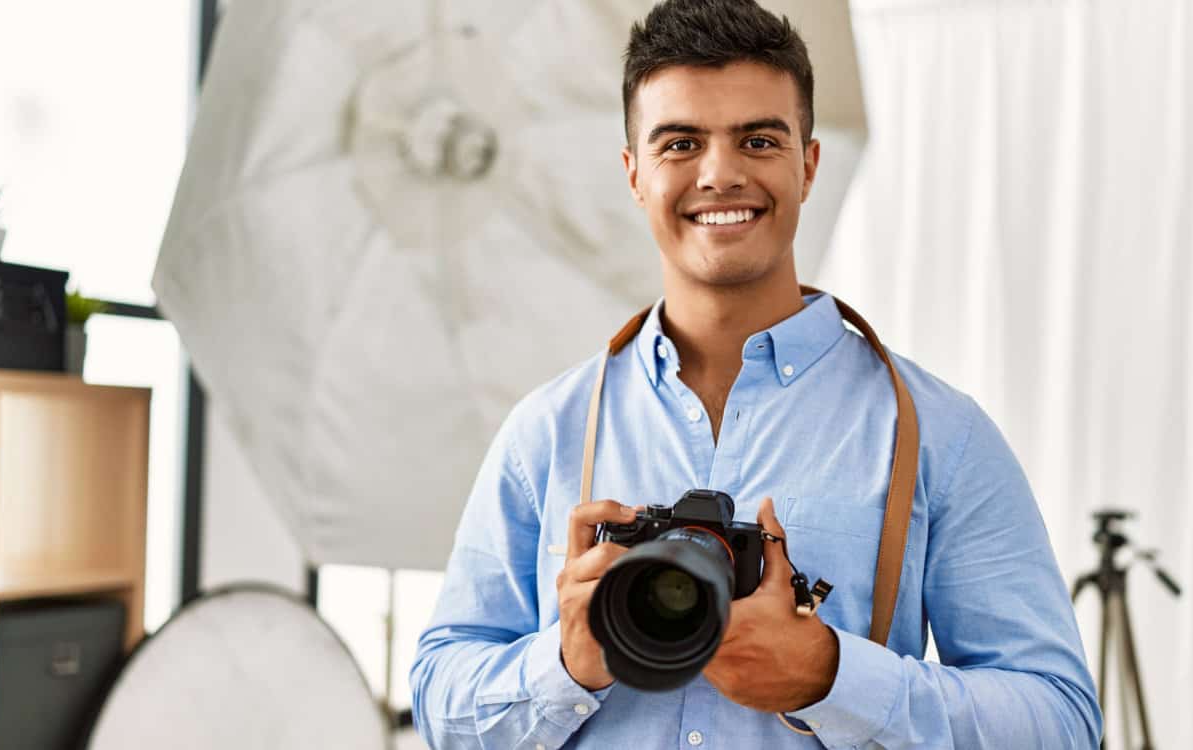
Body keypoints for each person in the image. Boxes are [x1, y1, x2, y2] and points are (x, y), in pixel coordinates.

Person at [410, 0, 1101, 747]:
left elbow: (1059, 721)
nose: (720, 173)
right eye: (680, 142)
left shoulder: (937, 434)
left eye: (758, 139)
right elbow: (440, 701)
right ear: (633, 172)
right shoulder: (546, 433)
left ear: (806, 164)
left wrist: (830, 675)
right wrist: (567, 664)